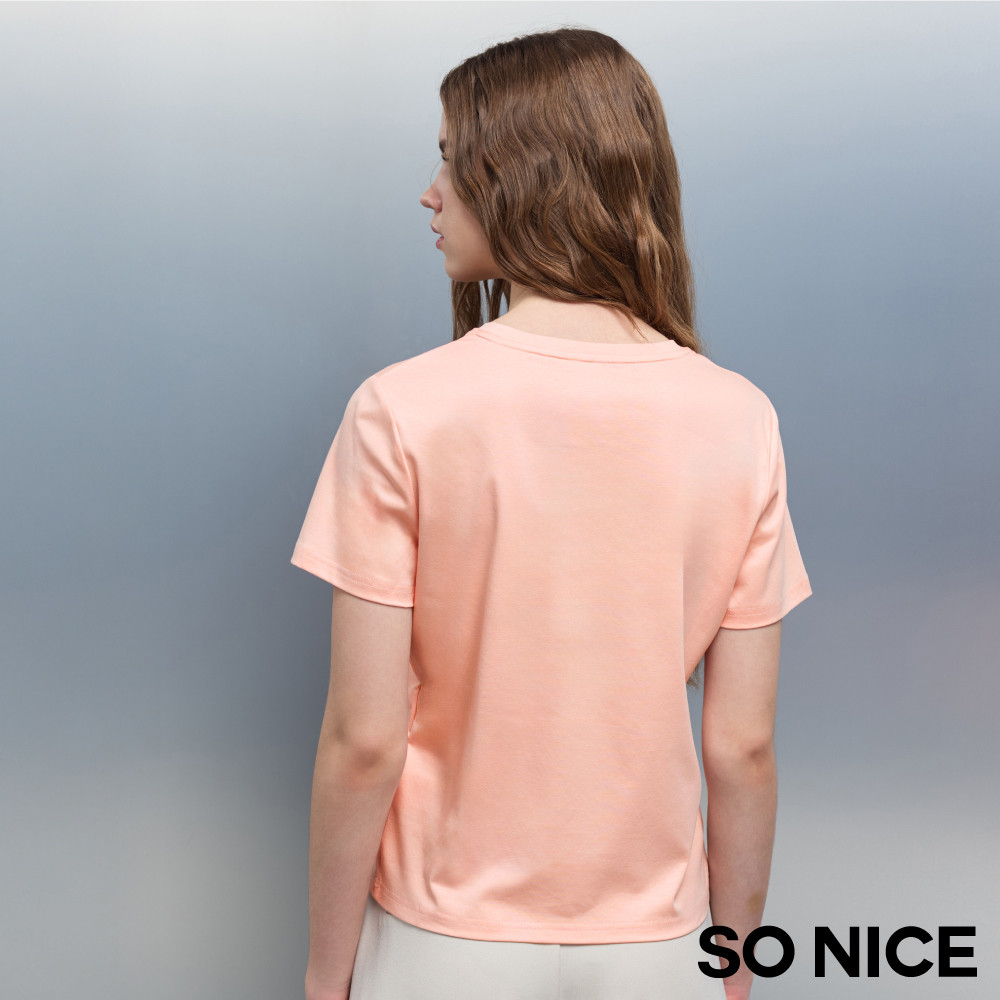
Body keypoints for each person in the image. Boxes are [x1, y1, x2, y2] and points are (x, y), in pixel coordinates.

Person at [291, 26, 812, 1000]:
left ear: (521, 176)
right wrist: (732, 972)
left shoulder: (402, 409)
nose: (429, 193)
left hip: (445, 943)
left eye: (451, 160)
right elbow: (741, 748)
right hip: (659, 946)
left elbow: (364, 740)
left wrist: (327, 977)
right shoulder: (738, 417)